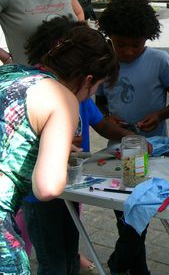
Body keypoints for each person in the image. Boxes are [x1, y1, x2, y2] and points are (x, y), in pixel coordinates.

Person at [0, 22, 119, 275]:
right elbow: (47, 187)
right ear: (88, 80)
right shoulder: (64, 98)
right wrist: (59, 162)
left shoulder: (13, 72)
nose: (89, 96)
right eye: (95, 89)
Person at [96, 0, 169, 275]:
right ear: (109, 37)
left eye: (136, 45)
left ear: (148, 37)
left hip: (154, 150)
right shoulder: (105, 63)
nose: (128, 51)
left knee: (140, 211)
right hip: (117, 150)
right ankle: (133, 267)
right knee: (124, 212)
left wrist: (160, 115)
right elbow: (99, 102)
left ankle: (121, 264)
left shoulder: (159, 61)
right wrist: (108, 118)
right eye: (120, 44)